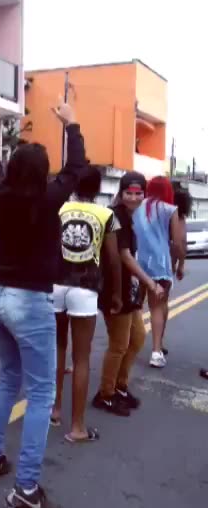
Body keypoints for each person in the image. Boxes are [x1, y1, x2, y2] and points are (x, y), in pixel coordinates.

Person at [0, 91, 86, 508]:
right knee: (40, 394)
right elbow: (76, 169)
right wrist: (71, 124)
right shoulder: (48, 199)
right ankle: (25, 489)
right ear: (42, 173)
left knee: (8, 379)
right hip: (30, 301)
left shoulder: (0, 195)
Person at [51, 165, 122, 442]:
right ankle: (78, 427)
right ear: (98, 187)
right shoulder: (106, 215)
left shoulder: (59, 209)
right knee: (81, 359)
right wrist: (116, 294)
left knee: (57, 350)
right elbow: (113, 260)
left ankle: (55, 410)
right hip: (86, 289)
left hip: (56, 285)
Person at [93, 172, 164, 417]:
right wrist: (150, 283)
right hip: (115, 290)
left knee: (137, 338)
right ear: (121, 193)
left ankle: (119, 387)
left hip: (129, 289)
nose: (133, 197)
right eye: (128, 193)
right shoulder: (116, 216)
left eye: (138, 193)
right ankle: (105, 394)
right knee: (119, 344)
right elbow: (124, 256)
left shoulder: (137, 216)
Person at [134, 176, 184, 368]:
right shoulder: (170, 209)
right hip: (160, 264)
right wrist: (177, 263)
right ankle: (156, 351)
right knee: (157, 307)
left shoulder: (136, 205)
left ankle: (130, 344)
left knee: (135, 307)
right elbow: (177, 242)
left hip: (136, 262)